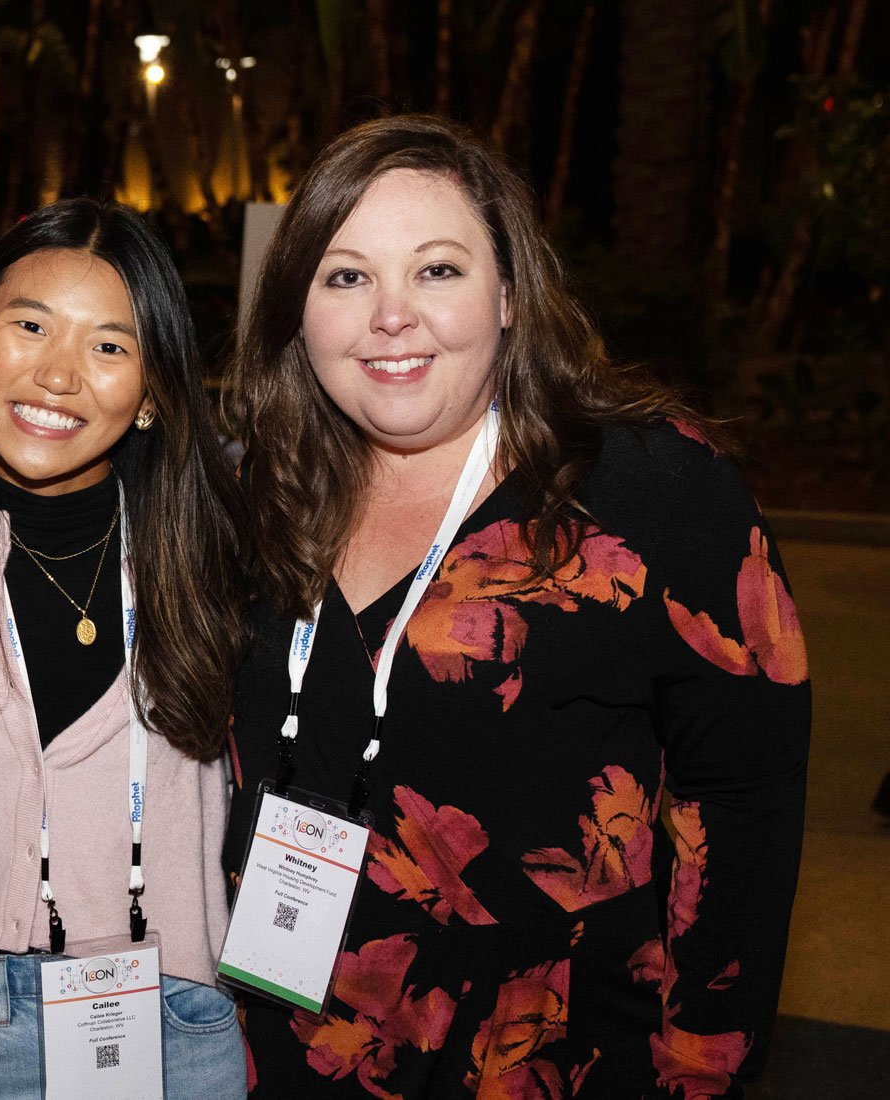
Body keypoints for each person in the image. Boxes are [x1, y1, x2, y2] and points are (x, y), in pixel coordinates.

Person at [224, 114, 809, 1098]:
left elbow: (743, 805)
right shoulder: (258, 495)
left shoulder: (654, 494)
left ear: (506, 293)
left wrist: (701, 1063)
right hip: (279, 1046)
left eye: (436, 269)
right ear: (296, 310)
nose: (390, 315)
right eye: (345, 275)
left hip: (545, 1063)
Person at [0, 198, 250, 1098]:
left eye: (109, 346)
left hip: (172, 1014)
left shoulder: (217, 551)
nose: (58, 375)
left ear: (152, 392)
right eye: (30, 325)